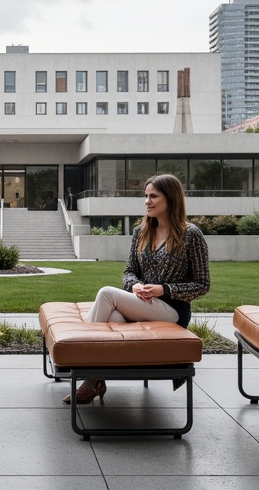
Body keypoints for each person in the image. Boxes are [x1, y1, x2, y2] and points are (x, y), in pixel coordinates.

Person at [64, 173, 210, 405]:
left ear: (170, 199)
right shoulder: (141, 232)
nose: (147, 201)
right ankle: (96, 379)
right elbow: (128, 272)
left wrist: (164, 290)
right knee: (113, 316)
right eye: (145, 196)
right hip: (143, 304)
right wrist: (136, 286)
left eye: (154, 196)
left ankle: (87, 374)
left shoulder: (191, 235)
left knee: (106, 293)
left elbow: (202, 285)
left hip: (172, 311)